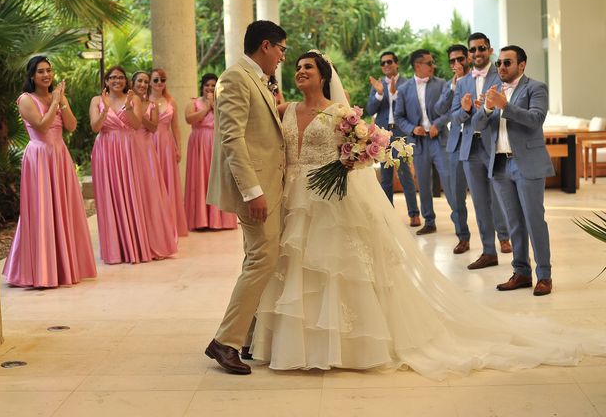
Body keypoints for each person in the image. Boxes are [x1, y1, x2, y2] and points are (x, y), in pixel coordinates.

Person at [250, 49, 606, 378]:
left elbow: (359, 147)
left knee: (333, 265)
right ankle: (294, 339)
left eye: (307, 67)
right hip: (292, 198)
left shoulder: (340, 113)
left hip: (333, 196)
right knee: (294, 265)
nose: (299, 71)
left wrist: (354, 156)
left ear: (324, 75)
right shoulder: (285, 110)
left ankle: (537, 272)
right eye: (296, 67)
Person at [204, 20, 287, 375]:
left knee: (259, 259)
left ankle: (248, 336)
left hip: (271, 183)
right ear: (265, 46)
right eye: (281, 49)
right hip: (256, 189)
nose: (283, 57)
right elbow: (232, 139)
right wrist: (253, 191)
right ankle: (225, 342)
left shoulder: (258, 79)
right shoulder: (234, 78)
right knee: (261, 261)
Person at [3, 56, 96, 287]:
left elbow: (72, 126)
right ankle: (39, 270)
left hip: (59, 155)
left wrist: (62, 101)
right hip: (40, 156)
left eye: (49, 71)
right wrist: (55, 102)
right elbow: (42, 126)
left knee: (63, 208)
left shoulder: (57, 96)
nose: (46, 75)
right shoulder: (26, 99)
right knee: (41, 210)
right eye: (41, 71)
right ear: (32, 76)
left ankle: (62, 266)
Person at [472, 45, 554, 296]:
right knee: (513, 222)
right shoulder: (493, 91)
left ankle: (544, 275)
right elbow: (476, 125)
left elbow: (535, 119)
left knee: (533, 221)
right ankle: (521, 272)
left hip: (526, 163)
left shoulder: (535, 88)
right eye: (499, 64)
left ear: (522, 65)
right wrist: (487, 107)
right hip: (499, 165)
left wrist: (505, 106)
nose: (501, 67)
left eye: (507, 63)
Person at [90, 66, 175, 264]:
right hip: (105, 151)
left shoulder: (134, 99)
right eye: (112, 77)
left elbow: (137, 125)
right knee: (110, 197)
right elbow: (95, 127)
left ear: (125, 81)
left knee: (131, 194)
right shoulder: (96, 100)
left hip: (128, 150)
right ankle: (115, 248)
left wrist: (128, 109)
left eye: (120, 77)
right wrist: (104, 109)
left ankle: (135, 245)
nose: (117, 80)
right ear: (106, 80)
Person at [451, 33, 512, 270]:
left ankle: (507, 238)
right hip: (470, 149)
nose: (477, 53)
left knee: (502, 197)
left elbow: (507, 108)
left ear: (490, 50)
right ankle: (488, 251)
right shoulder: (463, 82)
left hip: (495, 146)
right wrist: (466, 110)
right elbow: (455, 117)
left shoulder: (501, 76)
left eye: (482, 48)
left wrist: (485, 109)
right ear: (469, 54)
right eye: (473, 50)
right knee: (479, 202)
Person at [394, 50, 450, 236]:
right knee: (423, 184)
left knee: (448, 180)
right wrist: (411, 128)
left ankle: (459, 221)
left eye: (432, 62)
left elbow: (450, 110)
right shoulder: (403, 89)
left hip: (438, 139)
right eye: (429, 63)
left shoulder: (442, 84)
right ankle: (429, 221)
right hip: (418, 142)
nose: (433, 66)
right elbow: (399, 116)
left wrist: (438, 124)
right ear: (418, 66)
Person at [365, 51, 420, 227]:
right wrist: (380, 93)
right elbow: (370, 108)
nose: (386, 65)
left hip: (401, 132)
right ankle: (388, 215)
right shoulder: (377, 84)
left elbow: (412, 107)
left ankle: (414, 214)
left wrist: (395, 94)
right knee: (386, 176)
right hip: (383, 134)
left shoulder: (407, 84)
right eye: (383, 63)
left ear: (396, 64)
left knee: (405, 174)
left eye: (389, 62)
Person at [131, 71, 179, 255]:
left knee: (151, 192)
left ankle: (155, 236)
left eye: (145, 82)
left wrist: (137, 113)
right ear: (133, 83)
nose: (143, 84)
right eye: (140, 81)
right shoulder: (126, 101)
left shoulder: (152, 105)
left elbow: (152, 127)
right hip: (130, 148)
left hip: (147, 149)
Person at [184, 73, 238, 230]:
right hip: (199, 143)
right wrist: (206, 107)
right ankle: (200, 220)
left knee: (218, 177)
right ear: (202, 86)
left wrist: (214, 105)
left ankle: (221, 220)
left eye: (213, 85)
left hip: (216, 142)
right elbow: (189, 119)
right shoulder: (194, 102)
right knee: (200, 178)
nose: (209, 88)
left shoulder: (223, 103)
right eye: (207, 85)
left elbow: (228, 121)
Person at [434, 45, 472, 254]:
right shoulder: (450, 85)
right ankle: (462, 237)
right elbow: (439, 109)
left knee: (490, 195)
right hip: (456, 143)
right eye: (452, 61)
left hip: (479, 143)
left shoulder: (478, 81)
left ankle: (503, 237)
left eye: (460, 59)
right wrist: (452, 89)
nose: (456, 64)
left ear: (468, 58)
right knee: (457, 196)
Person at [149, 68, 189, 238]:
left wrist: (178, 148)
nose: (160, 83)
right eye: (156, 80)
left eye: (163, 80)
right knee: (152, 182)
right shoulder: (143, 100)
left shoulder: (170, 101)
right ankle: (154, 223)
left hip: (166, 144)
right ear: (150, 82)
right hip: (149, 143)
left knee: (168, 183)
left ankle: (171, 224)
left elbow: (176, 127)